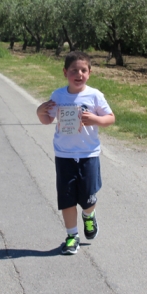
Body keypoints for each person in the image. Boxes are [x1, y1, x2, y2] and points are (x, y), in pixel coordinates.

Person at [35, 51, 115, 255]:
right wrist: (40, 111)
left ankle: (89, 215)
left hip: (88, 154)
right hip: (64, 155)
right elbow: (47, 119)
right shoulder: (58, 96)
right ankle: (72, 236)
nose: (78, 74)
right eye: (73, 70)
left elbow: (110, 118)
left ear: (89, 72)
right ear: (65, 72)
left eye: (83, 70)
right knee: (67, 198)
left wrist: (95, 120)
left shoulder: (95, 95)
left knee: (88, 197)